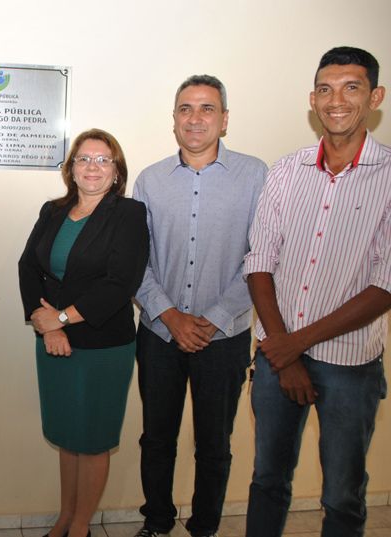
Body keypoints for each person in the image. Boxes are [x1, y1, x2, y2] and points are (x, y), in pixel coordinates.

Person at [244, 46, 390, 537]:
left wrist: (293, 346)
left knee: (342, 493)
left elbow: (385, 285)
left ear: (375, 96)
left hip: (351, 363)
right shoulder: (286, 170)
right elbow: (260, 262)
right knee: (267, 480)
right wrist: (283, 355)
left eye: (352, 87)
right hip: (276, 354)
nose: (337, 100)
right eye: (326, 89)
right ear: (313, 99)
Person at [130, 76, 267, 537]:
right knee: (156, 439)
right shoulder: (149, 180)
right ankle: (157, 520)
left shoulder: (255, 176)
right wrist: (170, 315)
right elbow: (135, 260)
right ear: (173, 120)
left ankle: (205, 524)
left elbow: (262, 257)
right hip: (158, 335)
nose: (195, 118)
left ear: (224, 119)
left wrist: (210, 320)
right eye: (185, 109)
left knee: (214, 443)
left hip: (224, 337)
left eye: (207, 109)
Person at [18, 128, 149, 537]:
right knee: (67, 436)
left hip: (101, 345)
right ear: (70, 169)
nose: (93, 167)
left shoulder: (128, 215)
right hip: (53, 342)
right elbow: (28, 267)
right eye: (84, 159)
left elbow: (118, 284)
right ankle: (64, 518)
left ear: (116, 171)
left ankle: (80, 527)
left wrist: (59, 321)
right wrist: (46, 325)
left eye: (103, 160)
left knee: (91, 439)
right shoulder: (51, 211)